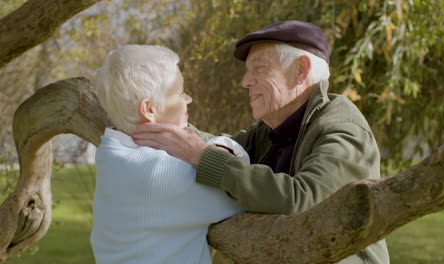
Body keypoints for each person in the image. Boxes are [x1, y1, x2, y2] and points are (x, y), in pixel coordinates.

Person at [132, 21, 390, 263]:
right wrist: (162, 122)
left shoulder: (342, 127)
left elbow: (305, 201)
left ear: (301, 70)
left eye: (259, 69)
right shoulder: (270, 130)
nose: (245, 82)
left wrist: (202, 157)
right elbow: (218, 146)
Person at [91, 45, 247, 264]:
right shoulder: (163, 175)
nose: (188, 99)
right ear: (149, 109)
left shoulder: (109, 151)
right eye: (178, 92)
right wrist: (218, 146)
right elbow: (242, 193)